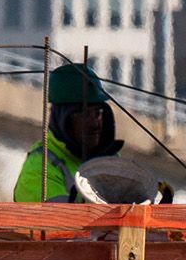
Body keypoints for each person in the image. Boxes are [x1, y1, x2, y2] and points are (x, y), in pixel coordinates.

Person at [14, 62, 125, 203]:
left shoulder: (110, 162)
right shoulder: (40, 167)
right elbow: (61, 220)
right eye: (84, 113)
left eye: (97, 113)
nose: (94, 124)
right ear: (62, 118)